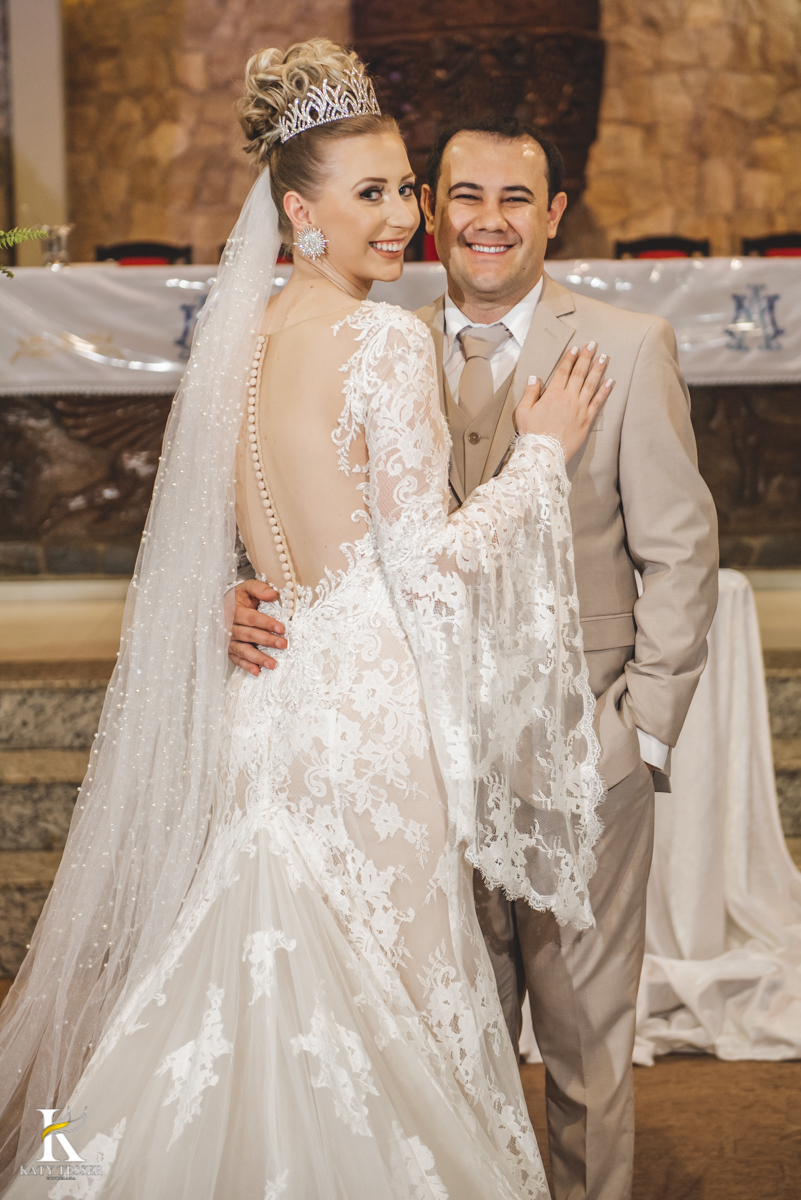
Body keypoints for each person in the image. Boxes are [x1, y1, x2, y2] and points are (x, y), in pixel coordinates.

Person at [0, 44, 609, 1198]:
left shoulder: (234, 341)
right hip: (369, 718)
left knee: (234, 982)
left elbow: (229, 541)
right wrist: (542, 456)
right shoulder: (384, 340)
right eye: (370, 193)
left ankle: (75, 1166)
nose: (402, 217)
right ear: (298, 209)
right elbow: (428, 568)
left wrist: (235, 593)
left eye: (402, 189)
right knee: (397, 1008)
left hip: (268, 701)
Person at [230, 114, 720, 1200]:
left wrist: (637, 730)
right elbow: (297, 528)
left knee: (587, 1041)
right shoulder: (374, 331)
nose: (482, 222)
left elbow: (682, 552)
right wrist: (234, 595)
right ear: (433, 207)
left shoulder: (629, 346)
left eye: (513, 200)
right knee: (445, 1034)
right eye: (457, 195)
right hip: (403, 756)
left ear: (551, 216)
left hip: (575, 750)